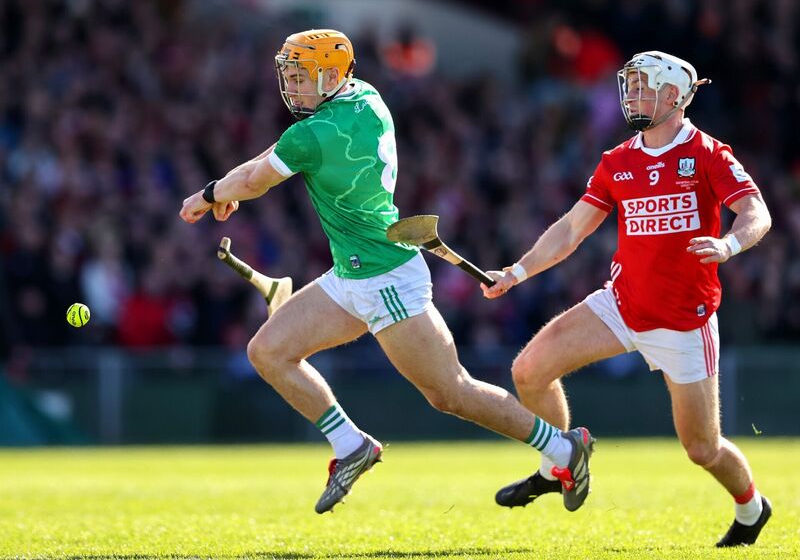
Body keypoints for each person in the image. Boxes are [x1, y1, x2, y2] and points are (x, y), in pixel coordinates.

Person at [180, 29, 593, 514]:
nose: (291, 87)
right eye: (288, 75)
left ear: (333, 76)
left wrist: (208, 196)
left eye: (301, 77)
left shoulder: (312, 134)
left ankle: (565, 449)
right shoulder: (365, 98)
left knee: (451, 392)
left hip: (385, 279)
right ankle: (351, 446)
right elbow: (268, 162)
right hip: (349, 276)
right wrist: (230, 190)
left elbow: (256, 177)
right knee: (269, 352)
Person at [483, 51, 772, 547]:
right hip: (620, 305)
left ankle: (752, 508)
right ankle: (561, 462)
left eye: (644, 86)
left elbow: (756, 212)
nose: (632, 95)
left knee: (702, 449)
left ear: (675, 95)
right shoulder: (618, 160)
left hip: (684, 321)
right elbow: (572, 228)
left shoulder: (708, 154)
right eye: (630, 85)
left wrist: (729, 244)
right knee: (528, 371)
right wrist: (518, 270)